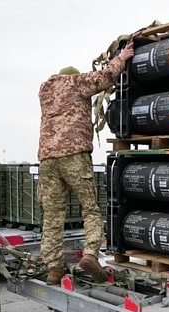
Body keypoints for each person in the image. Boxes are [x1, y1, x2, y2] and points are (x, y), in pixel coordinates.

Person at [37, 42, 135, 285]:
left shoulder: (45, 91)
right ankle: (91, 254)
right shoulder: (75, 83)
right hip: (74, 155)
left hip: (47, 159)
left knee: (52, 216)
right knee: (89, 208)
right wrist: (121, 58)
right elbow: (104, 78)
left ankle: (53, 268)